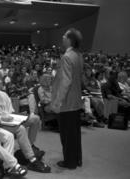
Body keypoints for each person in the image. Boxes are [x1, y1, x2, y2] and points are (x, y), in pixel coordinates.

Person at [0, 73, 51, 173]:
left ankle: (28, 147)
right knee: (21, 129)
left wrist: (18, 116)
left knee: (35, 119)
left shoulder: (3, 94)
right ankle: (32, 159)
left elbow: (10, 111)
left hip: (10, 122)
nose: (1, 81)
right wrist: (2, 118)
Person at [48, 28, 83, 169]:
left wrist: (57, 102)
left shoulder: (67, 57)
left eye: (64, 36)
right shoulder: (78, 55)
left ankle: (69, 162)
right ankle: (77, 159)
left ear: (69, 39)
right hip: (75, 100)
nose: (62, 38)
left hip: (67, 102)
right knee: (75, 133)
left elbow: (65, 82)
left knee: (67, 134)